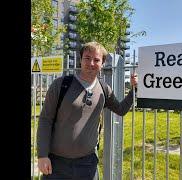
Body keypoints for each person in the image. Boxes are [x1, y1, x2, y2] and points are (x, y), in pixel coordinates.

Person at [37, 41, 137, 180]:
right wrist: (42, 155)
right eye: (87, 58)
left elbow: (121, 109)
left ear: (102, 63)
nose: (91, 63)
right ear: (80, 60)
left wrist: (134, 89)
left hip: (87, 165)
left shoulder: (104, 89)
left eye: (96, 60)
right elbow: (45, 120)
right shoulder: (61, 84)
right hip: (57, 165)